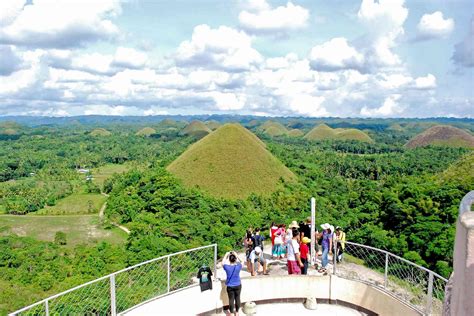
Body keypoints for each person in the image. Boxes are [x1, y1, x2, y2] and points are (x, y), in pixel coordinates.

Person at [223, 251, 243, 316]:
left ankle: (231, 313)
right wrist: (236, 255)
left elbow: (222, 263)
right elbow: (242, 261)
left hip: (230, 286)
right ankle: (237, 312)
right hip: (238, 284)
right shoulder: (238, 266)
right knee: (238, 298)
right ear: (235, 259)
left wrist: (226, 255)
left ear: (229, 260)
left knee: (231, 299)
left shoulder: (227, 267)